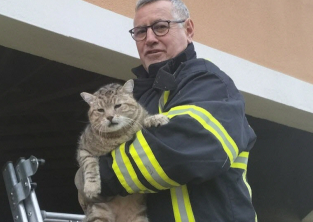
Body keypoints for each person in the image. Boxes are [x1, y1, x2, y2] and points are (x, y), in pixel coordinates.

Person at [76, 0, 257, 221]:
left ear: (188, 29)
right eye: (141, 31)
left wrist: (99, 175)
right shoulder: (140, 99)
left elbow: (185, 148)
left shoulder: (209, 82)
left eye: (161, 27)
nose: (150, 39)